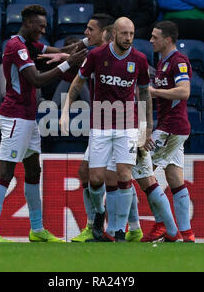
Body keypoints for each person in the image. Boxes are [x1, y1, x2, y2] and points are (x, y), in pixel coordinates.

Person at [0, 4, 87, 243]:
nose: (43, 30)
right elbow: (37, 80)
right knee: (6, 172)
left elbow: (60, 49)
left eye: (45, 26)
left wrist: (87, 43)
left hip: (28, 118)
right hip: (15, 116)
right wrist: (69, 63)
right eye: (39, 26)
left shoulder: (30, 45)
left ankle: (37, 230)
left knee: (33, 170)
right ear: (28, 23)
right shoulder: (16, 46)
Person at [62, 17, 153, 242]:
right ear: (113, 35)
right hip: (101, 123)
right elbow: (77, 82)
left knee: (124, 175)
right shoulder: (96, 56)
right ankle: (99, 212)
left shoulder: (139, 59)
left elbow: (144, 93)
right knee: (95, 179)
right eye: (124, 34)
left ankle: (119, 229)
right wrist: (65, 110)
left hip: (127, 124)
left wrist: (146, 127)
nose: (128, 38)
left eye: (131, 34)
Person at [144, 20, 196, 242]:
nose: (151, 40)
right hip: (172, 127)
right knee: (174, 177)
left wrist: (155, 92)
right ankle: (187, 234)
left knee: (141, 169)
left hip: (171, 128)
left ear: (167, 39)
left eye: (155, 37)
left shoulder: (179, 61)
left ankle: (164, 227)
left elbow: (184, 92)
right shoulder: (163, 62)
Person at [51, 35, 90, 107]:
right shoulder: (62, 58)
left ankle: (90, 108)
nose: (73, 47)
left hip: (79, 80)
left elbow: (86, 72)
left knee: (80, 80)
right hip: (66, 81)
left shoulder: (84, 56)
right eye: (70, 45)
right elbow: (62, 74)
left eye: (75, 44)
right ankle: (53, 108)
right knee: (66, 82)